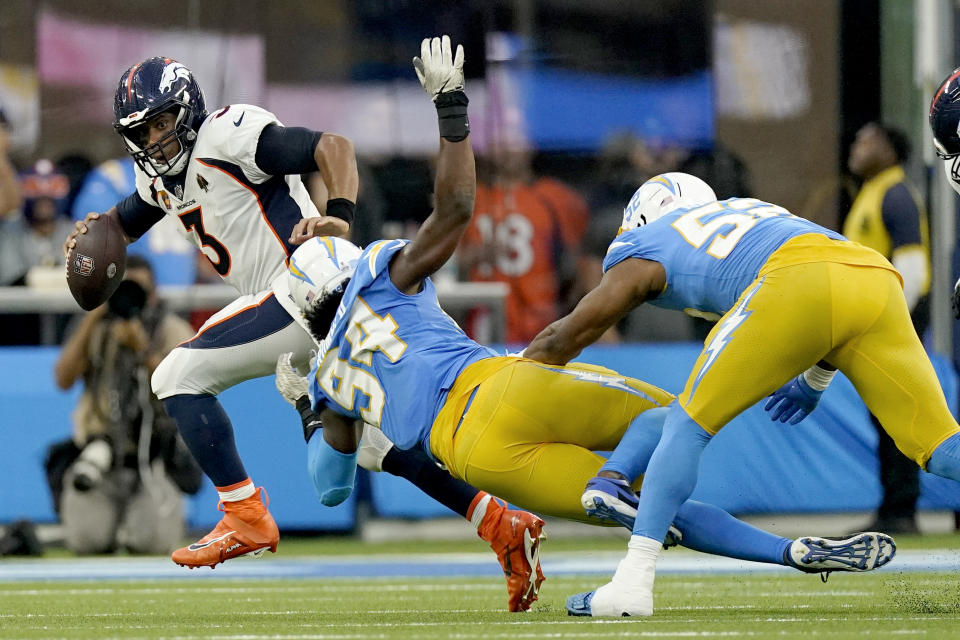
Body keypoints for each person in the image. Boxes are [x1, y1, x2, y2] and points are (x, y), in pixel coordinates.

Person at [284, 40, 896, 612]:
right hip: (495, 385)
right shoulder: (381, 277)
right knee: (677, 424)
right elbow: (456, 209)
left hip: (476, 457)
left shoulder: (331, 376)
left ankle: (789, 553)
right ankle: (613, 476)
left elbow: (331, 485)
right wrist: (451, 108)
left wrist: (310, 410)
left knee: (651, 513)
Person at [60, 55, 546, 610]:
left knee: (175, 373)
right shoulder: (160, 177)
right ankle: (501, 523)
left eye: (162, 122)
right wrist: (92, 232)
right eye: (142, 131)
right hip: (290, 303)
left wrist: (339, 212)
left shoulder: (226, 134)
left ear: (188, 109)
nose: (156, 139)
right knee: (366, 451)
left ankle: (243, 513)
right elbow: (122, 222)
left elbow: (332, 146)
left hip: (306, 281)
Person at [523, 172, 960, 617]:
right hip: (871, 275)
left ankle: (632, 582)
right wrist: (816, 377)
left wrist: (512, 376)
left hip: (794, 281)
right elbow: (832, 282)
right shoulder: (748, 211)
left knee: (685, 423)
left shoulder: (646, 240)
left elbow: (568, 334)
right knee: (939, 446)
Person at [52, 256, 203, 554]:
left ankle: (149, 519)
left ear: (154, 293)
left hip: (153, 458)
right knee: (87, 543)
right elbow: (63, 379)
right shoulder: (96, 327)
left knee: (152, 545)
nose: (129, 297)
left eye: (138, 290)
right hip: (99, 454)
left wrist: (143, 351)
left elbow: (188, 387)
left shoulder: (171, 328)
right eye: (121, 289)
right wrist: (93, 315)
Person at [845, 122, 930, 534]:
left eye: (867, 141)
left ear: (890, 151)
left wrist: (889, 320)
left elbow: (913, 270)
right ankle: (893, 508)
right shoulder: (873, 192)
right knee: (884, 418)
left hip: (892, 322)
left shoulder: (896, 193)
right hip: (875, 322)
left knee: (897, 416)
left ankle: (902, 511)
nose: (857, 147)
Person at [457, 142, 589, 344]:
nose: (508, 148)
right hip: (484, 322)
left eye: (515, 139)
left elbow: (579, 261)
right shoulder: (470, 198)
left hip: (542, 320)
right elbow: (450, 263)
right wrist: (473, 256)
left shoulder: (556, 197)